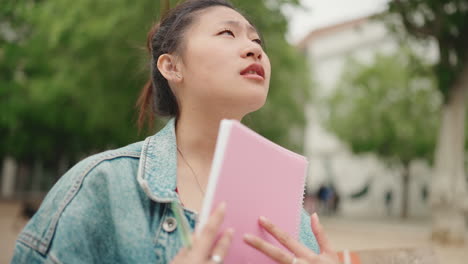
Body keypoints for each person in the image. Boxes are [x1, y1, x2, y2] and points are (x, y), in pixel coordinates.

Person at [11, 1, 339, 263]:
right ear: (171, 66)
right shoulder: (102, 185)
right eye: (228, 33)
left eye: (256, 40)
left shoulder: (285, 207)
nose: (254, 49)